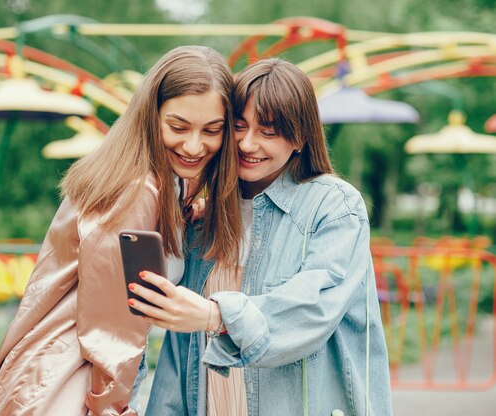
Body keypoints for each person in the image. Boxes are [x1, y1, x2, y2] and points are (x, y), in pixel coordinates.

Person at [0, 45, 241, 416]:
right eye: (178, 127)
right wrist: (110, 406)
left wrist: (189, 210)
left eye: (212, 130)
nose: (195, 145)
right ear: (151, 116)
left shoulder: (152, 178)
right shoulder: (136, 191)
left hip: (55, 370)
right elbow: (111, 326)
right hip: (75, 383)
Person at [130, 59, 393, 416]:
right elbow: (180, 358)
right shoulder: (207, 216)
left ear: (300, 136)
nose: (247, 143)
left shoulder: (334, 205)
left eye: (268, 132)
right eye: (238, 126)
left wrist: (216, 316)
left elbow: (312, 309)